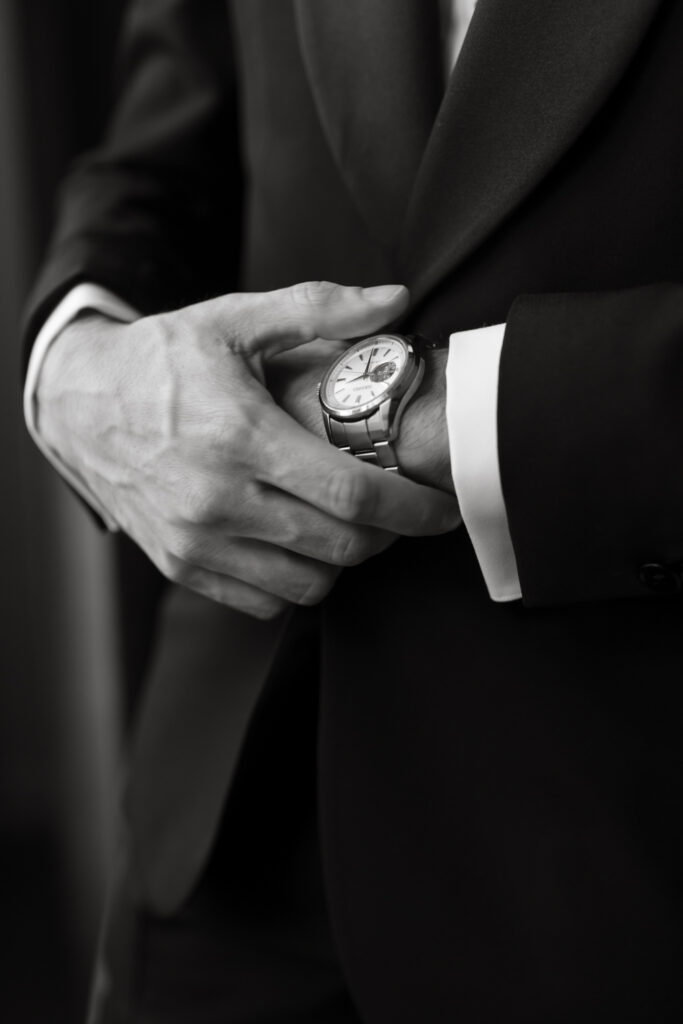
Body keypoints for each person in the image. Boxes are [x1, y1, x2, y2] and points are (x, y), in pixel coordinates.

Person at [23, 0, 683, 1021]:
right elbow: (157, 162)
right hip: (232, 820)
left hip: (613, 864)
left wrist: (425, 412)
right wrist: (74, 368)